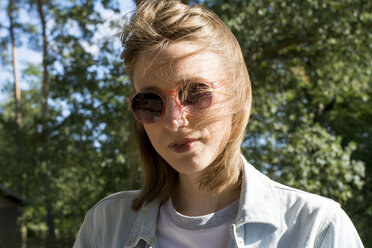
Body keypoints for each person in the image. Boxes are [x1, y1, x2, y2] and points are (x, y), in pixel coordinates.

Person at [74, 0, 364, 247]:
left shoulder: (317, 228)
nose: (175, 121)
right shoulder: (105, 226)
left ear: (237, 95)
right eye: (149, 102)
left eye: (195, 93)